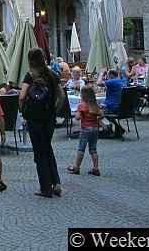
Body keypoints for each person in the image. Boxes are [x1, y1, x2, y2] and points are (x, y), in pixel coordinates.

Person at [20, 47, 64, 198]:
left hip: (35, 118)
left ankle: (45, 187)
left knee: (39, 152)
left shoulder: (30, 75)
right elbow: (62, 95)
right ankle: (56, 182)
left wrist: (24, 111)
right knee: (48, 148)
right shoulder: (52, 74)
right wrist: (54, 110)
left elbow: (22, 96)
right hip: (49, 118)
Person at [67, 85, 102, 176]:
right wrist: (96, 120)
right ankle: (96, 168)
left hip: (85, 129)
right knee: (93, 149)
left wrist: (80, 115)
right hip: (94, 128)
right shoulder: (96, 105)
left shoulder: (82, 106)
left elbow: (78, 118)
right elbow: (102, 115)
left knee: (81, 148)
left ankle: (76, 167)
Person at [97, 68, 127, 137]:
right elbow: (113, 92)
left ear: (110, 75)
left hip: (112, 108)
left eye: (107, 76)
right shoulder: (122, 81)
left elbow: (99, 83)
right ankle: (116, 126)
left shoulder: (112, 81)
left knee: (92, 110)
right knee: (101, 108)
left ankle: (105, 128)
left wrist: (101, 73)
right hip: (122, 108)